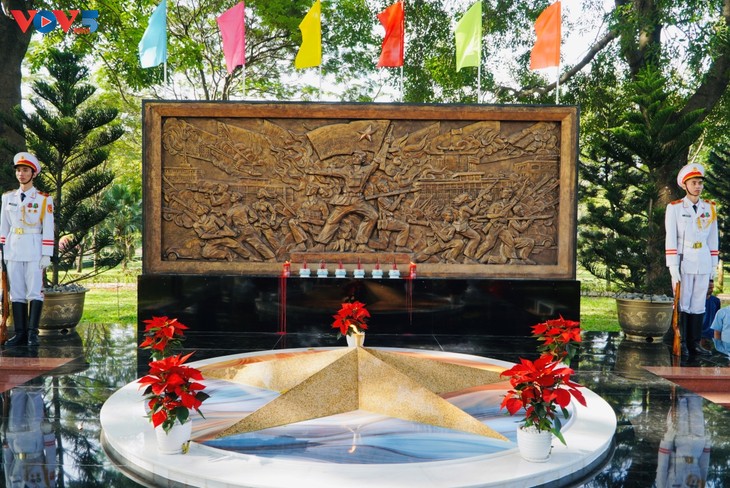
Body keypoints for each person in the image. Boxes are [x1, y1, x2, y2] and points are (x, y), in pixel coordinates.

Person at [0, 152, 54, 347]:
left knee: (34, 291)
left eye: (25, 170)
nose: (21, 174)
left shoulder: (43, 199)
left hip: (33, 249)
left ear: (33, 174)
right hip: (13, 249)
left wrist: (47, 253)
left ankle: (32, 334)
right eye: (18, 170)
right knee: (16, 292)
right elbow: (4, 227)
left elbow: (48, 227)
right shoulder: (8, 198)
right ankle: (20, 334)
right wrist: (1, 251)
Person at [665, 163, 719, 357]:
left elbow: (713, 239)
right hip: (684, 260)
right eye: (694, 183)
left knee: (698, 303)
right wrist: (672, 265)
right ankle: (682, 343)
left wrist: (713, 265)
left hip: (703, 259)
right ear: (685, 185)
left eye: (700, 183)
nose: (698, 186)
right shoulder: (675, 208)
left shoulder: (709, 207)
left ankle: (694, 343)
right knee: (683, 303)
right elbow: (671, 238)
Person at [701, 280, 721, 351]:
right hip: (699, 333)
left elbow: (717, 317)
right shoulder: (698, 301)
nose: (712, 290)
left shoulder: (716, 301)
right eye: (709, 288)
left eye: (712, 288)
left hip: (711, 334)